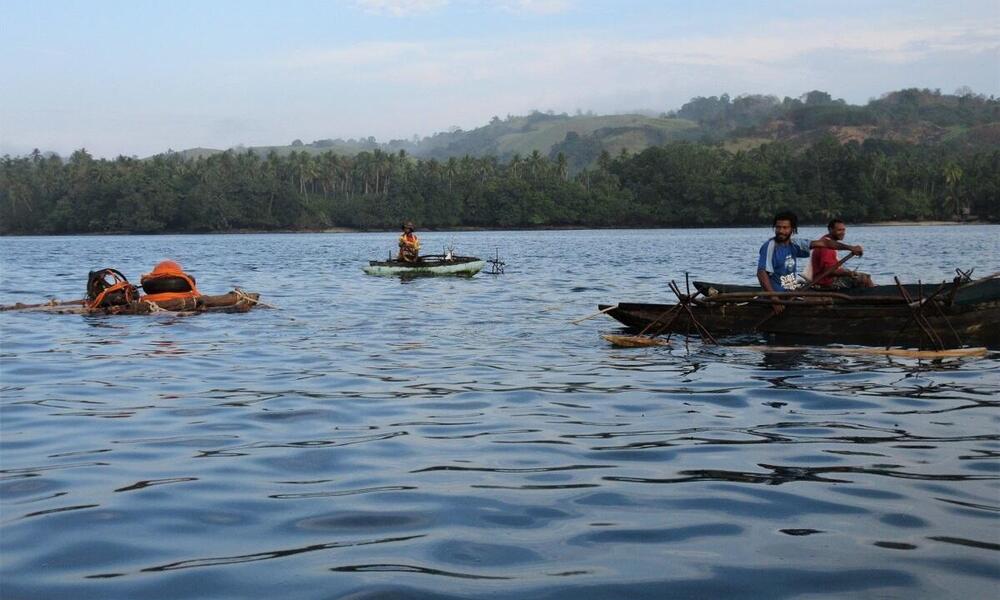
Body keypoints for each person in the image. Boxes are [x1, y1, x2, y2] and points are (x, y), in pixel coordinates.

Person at [757, 211, 862, 314]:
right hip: (777, 295)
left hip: (791, 292)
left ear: (792, 229)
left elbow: (825, 243)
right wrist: (774, 299)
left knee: (826, 299)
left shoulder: (794, 244)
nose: (781, 231)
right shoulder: (770, 247)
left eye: (785, 228)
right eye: (778, 227)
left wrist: (850, 247)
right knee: (821, 302)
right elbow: (761, 273)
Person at [811, 219, 875, 289]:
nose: (843, 233)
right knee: (865, 278)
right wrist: (849, 273)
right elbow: (829, 271)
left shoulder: (826, 240)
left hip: (827, 279)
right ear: (830, 230)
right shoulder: (827, 248)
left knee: (860, 277)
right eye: (839, 230)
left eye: (844, 230)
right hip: (827, 282)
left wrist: (848, 272)